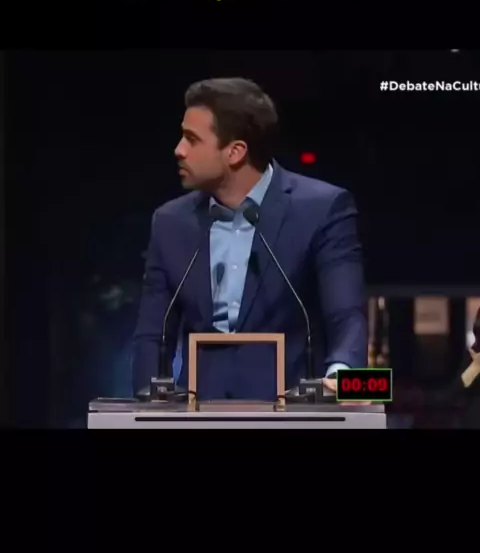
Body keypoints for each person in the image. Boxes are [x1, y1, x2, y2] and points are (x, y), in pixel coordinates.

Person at [131, 77, 368, 401]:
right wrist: (147, 403)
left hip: (293, 412)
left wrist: (340, 379)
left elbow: (346, 316)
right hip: (197, 415)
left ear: (235, 152)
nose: (179, 150)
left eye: (192, 139)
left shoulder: (322, 209)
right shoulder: (170, 222)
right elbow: (152, 333)